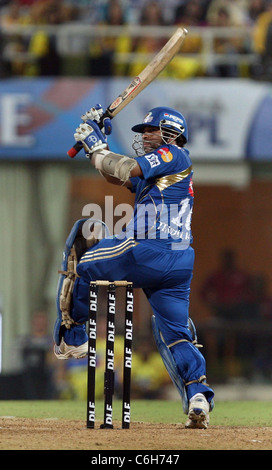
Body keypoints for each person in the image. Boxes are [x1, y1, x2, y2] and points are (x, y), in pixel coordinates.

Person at [53, 104, 214, 429]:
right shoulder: (162, 173)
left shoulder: (174, 155)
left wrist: (97, 146)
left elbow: (127, 168)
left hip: (146, 248)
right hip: (178, 262)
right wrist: (95, 144)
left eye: (150, 130)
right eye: (143, 132)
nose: (144, 136)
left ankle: (73, 335)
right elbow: (115, 174)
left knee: (82, 254)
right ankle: (198, 395)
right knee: (176, 333)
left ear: (170, 133)